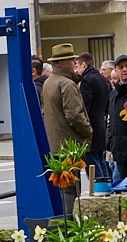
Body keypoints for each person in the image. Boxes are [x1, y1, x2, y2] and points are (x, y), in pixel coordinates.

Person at [41, 44, 92, 216]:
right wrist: (88, 131)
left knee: (62, 185)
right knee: (70, 186)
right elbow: (75, 115)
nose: (75, 62)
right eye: (72, 60)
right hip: (69, 145)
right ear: (62, 63)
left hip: (56, 143)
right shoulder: (67, 84)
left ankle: (63, 223)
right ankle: (68, 225)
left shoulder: (49, 82)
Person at [74, 52, 111, 179]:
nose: (76, 69)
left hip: (90, 127)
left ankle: (99, 191)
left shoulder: (87, 80)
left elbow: (84, 107)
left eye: (77, 66)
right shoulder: (103, 79)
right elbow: (107, 105)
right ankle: (107, 189)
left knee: (92, 164)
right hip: (101, 124)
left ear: (84, 64)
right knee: (101, 161)